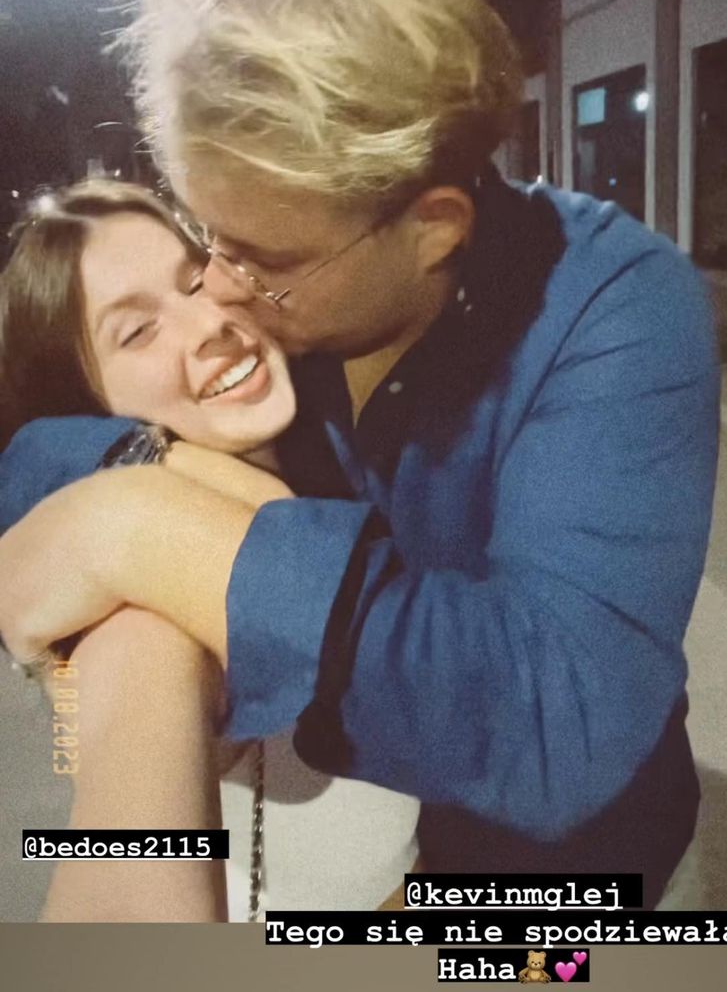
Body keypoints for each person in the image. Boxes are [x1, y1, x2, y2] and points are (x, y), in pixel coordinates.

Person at [0, 0, 720, 908]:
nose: (220, 292)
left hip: (572, 880)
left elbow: (555, 718)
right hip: (392, 854)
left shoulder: (618, 306)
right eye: (207, 238)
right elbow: (47, 438)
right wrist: (145, 481)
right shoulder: (271, 323)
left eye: (264, 259)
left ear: (432, 228)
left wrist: (136, 527)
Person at [0, 179, 420, 920]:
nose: (208, 324)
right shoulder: (137, 611)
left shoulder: (346, 440)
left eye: (197, 280)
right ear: (83, 407)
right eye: (138, 331)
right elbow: (127, 880)